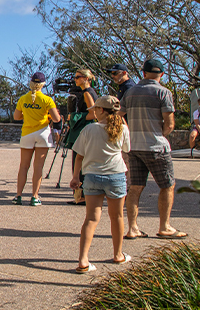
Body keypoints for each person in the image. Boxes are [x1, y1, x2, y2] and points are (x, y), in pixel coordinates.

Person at [122, 59, 185, 239]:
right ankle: (165, 226)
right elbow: (170, 124)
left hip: (134, 146)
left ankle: (132, 228)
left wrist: (128, 132)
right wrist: (160, 134)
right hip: (156, 146)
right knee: (167, 185)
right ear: (162, 74)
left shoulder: (130, 92)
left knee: (135, 187)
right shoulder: (163, 92)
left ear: (143, 73)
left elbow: (118, 114)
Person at [69, 95, 132, 273]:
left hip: (92, 176)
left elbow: (79, 156)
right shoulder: (122, 129)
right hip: (115, 175)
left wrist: (76, 177)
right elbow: (126, 149)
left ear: (102, 110)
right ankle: (118, 254)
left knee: (91, 218)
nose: (94, 112)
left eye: (96, 109)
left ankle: (83, 259)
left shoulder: (90, 129)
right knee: (117, 216)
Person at [13, 72, 62, 206]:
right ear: (43, 84)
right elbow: (56, 118)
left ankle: (18, 195)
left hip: (27, 133)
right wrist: (47, 116)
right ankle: (34, 196)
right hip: (42, 133)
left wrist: (27, 115)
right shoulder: (47, 100)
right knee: (38, 167)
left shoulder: (23, 98)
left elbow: (16, 117)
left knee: (24, 166)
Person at [64, 69, 99, 205]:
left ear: (86, 78)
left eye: (78, 77)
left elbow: (93, 114)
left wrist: (74, 117)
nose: (75, 80)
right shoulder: (89, 92)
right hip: (87, 129)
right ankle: (82, 195)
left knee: (79, 161)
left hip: (84, 130)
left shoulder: (87, 93)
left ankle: (82, 196)